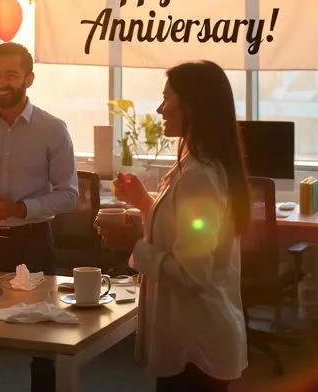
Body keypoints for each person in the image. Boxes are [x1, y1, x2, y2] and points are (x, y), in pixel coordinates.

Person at [95, 61, 249, 392]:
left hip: (198, 344)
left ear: (192, 106)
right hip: (192, 338)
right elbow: (183, 236)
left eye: (167, 99)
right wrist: (144, 203)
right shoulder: (196, 167)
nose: (160, 108)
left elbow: (192, 274)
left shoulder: (200, 178)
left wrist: (134, 244)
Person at [0, 42, 78, 392]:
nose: (1, 82)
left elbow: (69, 194)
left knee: (43, 341)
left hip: (33, 243)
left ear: (29, 79)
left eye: (11, 75)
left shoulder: (53, 129)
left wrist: (18, 209)